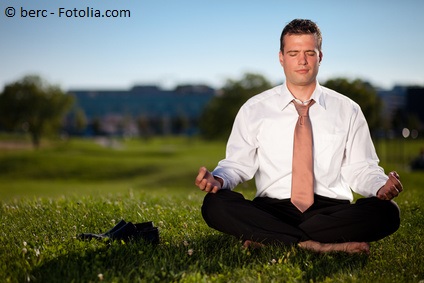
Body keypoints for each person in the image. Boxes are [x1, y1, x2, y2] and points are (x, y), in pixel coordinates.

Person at [194, 19, 403, 254]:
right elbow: (237, 164)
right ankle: (320, 246)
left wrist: (379, 186)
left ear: (320, 57)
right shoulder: (254, 108)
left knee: (388, 212)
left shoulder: (348, 109)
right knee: (215, 205)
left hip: (330, 211)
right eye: (293, 53)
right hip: (273, 209)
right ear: (281, 57)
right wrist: (219, 180)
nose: (302, 61)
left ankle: (274, 238)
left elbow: (361, 167)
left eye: (309, 53)